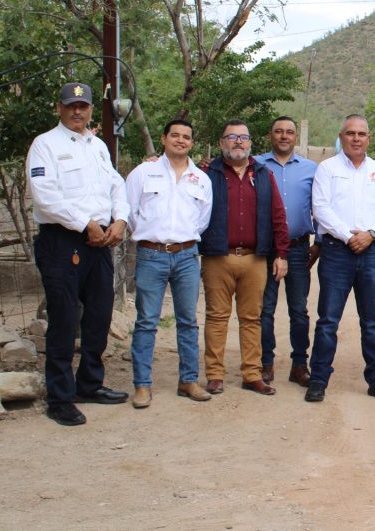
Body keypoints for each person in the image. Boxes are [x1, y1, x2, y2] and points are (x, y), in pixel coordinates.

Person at [27, 82, 130, 426]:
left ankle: (89, 384)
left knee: (99, 315)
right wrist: (85, 223)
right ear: (59, 108)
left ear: (90, 110)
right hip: (62, 241)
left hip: (100, 242)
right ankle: (60, 397)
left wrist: (120, 219)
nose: (77, 111)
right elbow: (45, 196)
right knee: (64, 319)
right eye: (70, 105)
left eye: (82, 106)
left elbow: (116, 185)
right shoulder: (45, 145)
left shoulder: (98, 146)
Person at [305, 115, 375, 403]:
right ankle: (318, 379)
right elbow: (321, 208)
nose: (356, 138)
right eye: (350, 133)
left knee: (372, 321)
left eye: (361, 134)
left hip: (371, 252)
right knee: (328, 320)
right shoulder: (327, 169)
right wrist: (349, 237)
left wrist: (370, 234)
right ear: (341, 136)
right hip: (336, 252)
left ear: (369, 138)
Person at [126, 119, 213, 408]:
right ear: (163, 139)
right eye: (174, 135)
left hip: (187, 256)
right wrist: (151, 235)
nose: (180, 140)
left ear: (192, 143)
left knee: (188, 321)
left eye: (186, 137)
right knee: (147, 321)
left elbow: (202, 219)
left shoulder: (201, 179)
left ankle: (189, 380)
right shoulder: (143, 173)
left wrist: (181, 240)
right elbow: (130, 211)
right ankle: (142, 385)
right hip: (151, 255)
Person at [200, 120, 289, 397]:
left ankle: (252, 374)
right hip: (218, 257)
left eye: (243, 137)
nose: (238, 142)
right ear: (221, 143)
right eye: (232, 137)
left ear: (250, 143)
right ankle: (215, 375)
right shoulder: (206, 173)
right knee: (217, 317)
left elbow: (278, 215)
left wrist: (281, 254)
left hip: (254, 259)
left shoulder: (263, 174)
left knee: (252, 319)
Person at [254, 116, 317, 387]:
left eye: (289, 132)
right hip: (265, 249)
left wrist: (319, 243)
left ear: (295, 137)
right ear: (270, 135)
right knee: (265, 309)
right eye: (278, 131)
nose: (284, 136)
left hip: (299, 248)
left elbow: (321, 206)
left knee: (299, 310)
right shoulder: (255, 164)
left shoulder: (311, 169)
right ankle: (265, 363)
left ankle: (299, 365)